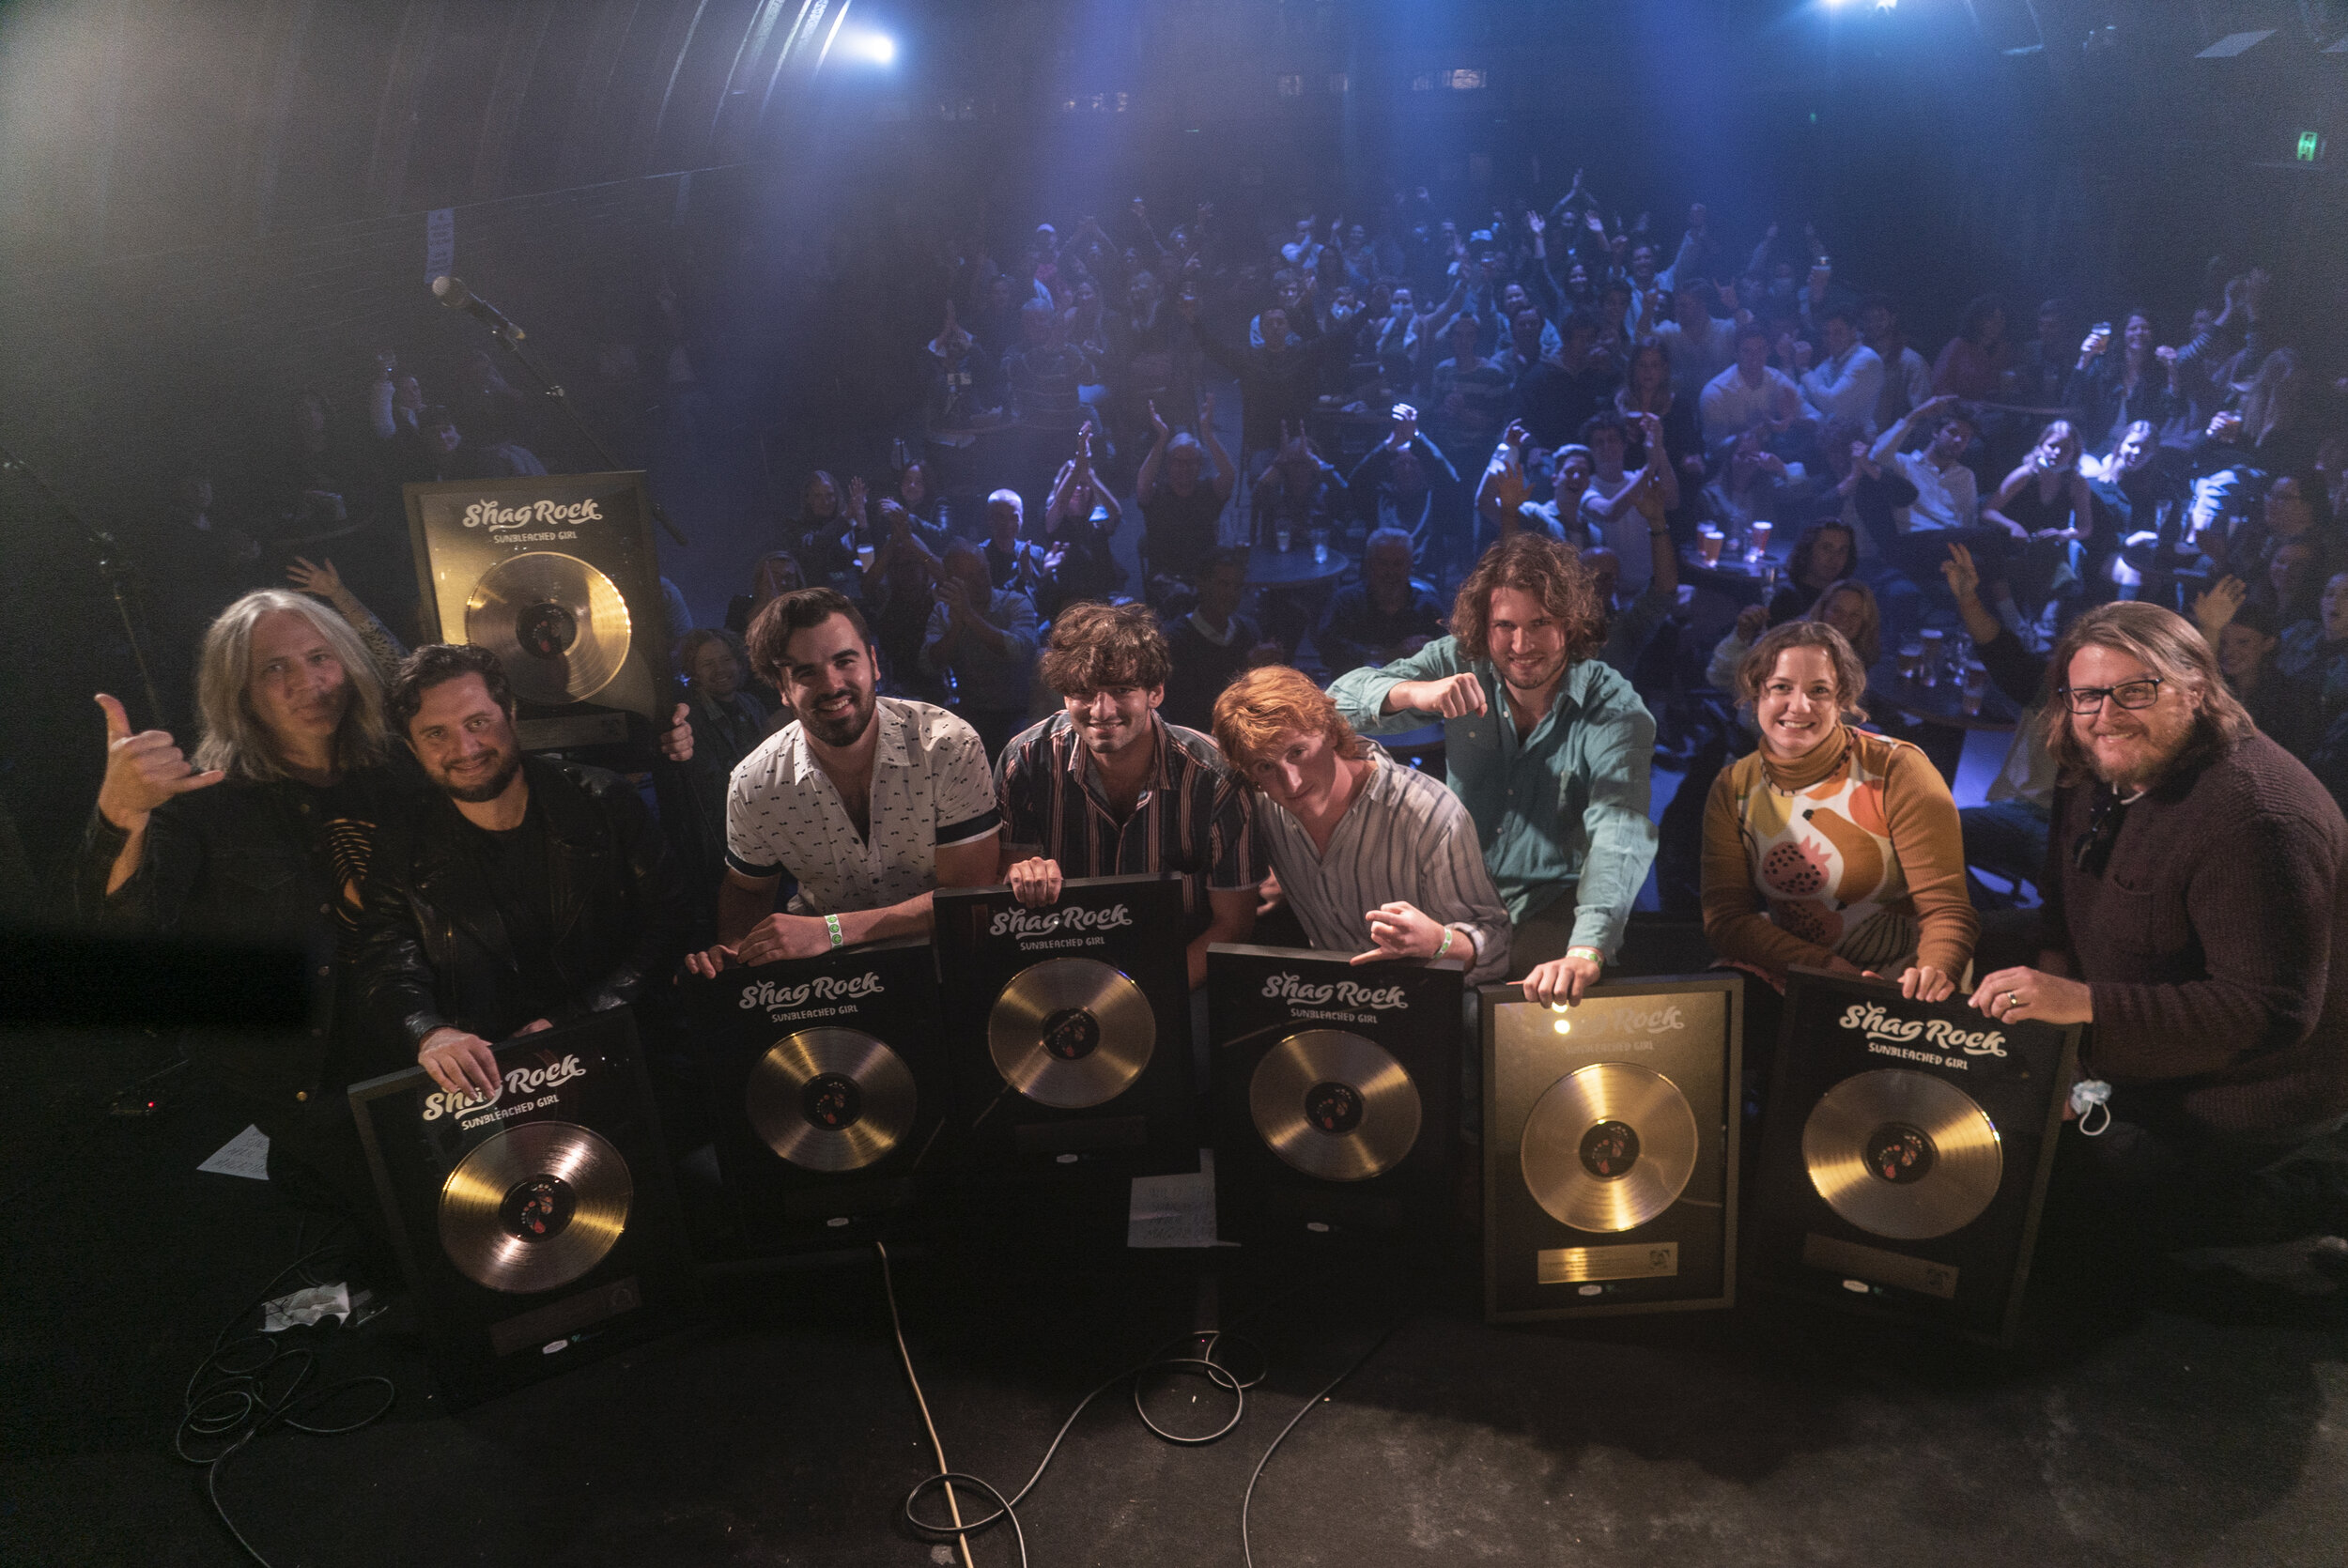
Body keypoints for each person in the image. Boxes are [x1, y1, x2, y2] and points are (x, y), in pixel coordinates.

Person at [1967, 603, 2348, 1256]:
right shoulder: (2094, 763)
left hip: (2244, 1085)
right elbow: (2062, 918)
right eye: (2086, 695)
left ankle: (2313, 1191)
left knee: (2063, 1211)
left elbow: (2271, 1011)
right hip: (2131, 1033)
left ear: (2196, 691)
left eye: (2136, 691)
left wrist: (2083, 1014)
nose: (2105, 716)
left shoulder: (2259, 818)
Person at [358, 644, 694, 1103]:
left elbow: (671, 923)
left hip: (631, 1060)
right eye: (436, 733)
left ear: (511, 714)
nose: (466, 748)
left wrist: (574, 1020)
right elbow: (387, 964)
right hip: (496, 1090)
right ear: (412, 747)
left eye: (478, 722)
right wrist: (429, 1032)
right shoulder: (401, 845)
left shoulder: (604, 801)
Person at [1329, 533, 1657, 1001]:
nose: (1520, 645)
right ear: (1483, 626)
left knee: (1532, 1017)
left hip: (1551, 901)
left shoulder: (1617, 710)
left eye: (1540, 622)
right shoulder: (1460, 660)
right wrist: (1414, 692)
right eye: (1505, 625)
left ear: (1571, 622)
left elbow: (1619, 834)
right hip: (1453, 888)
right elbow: (1334, 703)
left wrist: (1586, 950)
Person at [1702, 621, 1978, 1063]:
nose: (1798, 705)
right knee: (1717, 1024)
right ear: (1756, 695)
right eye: (1781, 687)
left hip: (1902, 991)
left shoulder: (1898, 770)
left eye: (1819, 691)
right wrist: (1828, 970)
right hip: (1800, 973)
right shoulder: (1732, 786)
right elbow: (1727, 920)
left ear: (1844, 699)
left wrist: (1931, 978)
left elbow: (1946, 909)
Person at [688, 588, 1001, 976]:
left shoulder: (946, 744)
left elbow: (968, 898)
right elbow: (746, 889)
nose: (832, 684)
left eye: (844, 661)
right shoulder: (755, 783)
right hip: (832, 982)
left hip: (948, 965)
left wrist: (832, 931)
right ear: (782, 689)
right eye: (805, 672)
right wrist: (738, 956)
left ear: (873, 663)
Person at [996, 603, 1263, 989]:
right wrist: (1020, 876)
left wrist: (1141, 996)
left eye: (1121, 690)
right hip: (1059, 972)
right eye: (1084, 692)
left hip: (1179, 975)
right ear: (1064, 695)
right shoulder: (1026, 759)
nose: (1101, 710)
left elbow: (1233, 924)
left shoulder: (1214, 776)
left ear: (1155, 692)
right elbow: (1005, 894)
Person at [1213, 666, 1508, 984]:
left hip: (1426, 998)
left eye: (1297, 752)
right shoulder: (1263, 808)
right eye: (1267, 766)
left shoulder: (1428, 812)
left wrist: (1439, 942)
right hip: (1333, 999)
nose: (1291, 782)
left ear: (1332, 733)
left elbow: (1495, 947)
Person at [660, 628, 775, 936]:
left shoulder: (751, 704)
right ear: (693, 673)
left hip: (763, 831)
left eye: (726, 660)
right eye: (708, 664)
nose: (721, 669)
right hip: (720, 844)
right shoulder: (689, 718)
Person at [919, 540, 1041, 761]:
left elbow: (1019, 651)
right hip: (969, 712)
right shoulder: (943, 613)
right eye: (968, 578)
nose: (980, 582)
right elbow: (928, 666)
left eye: (982, 572)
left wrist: (969, 616)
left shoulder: (1015, 603)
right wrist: (956, 627)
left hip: (1018, 711)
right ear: (952, 581)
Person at [1347, 403, 1467, 574]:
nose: (1407, 469)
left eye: (1413, 463)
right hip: (1378, 578)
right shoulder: (1379, 498)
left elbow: (1451, 481)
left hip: (1420, 578)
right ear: (1392, 468)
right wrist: (1389, 446)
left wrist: (1416, 438)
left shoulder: (1434, 500)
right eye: (1401, 463)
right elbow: (1355, 483)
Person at [1315, 527, 1446, 677]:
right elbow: (1328, 649)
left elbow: (1446, 652)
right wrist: (1389, 654)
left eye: (1398, 564)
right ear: (1369, 564)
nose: (1390, 572)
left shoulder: (1428, 608)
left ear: (1410, 566)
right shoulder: (1346, 602)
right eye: (1383, 563)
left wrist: (1427, 651)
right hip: (1356, 688)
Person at [1135, 394, 1235, 590]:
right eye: (1178, 461)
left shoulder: (1209, 491)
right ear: (1168, 464)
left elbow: (1229, 475)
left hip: (1204, 577)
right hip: (1165, 580)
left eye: (1191, 462)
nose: (1184, 468)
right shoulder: (1156, 495)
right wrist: (1162, 437)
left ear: (1200, 465)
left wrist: (1206, 432)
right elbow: (1142, 483)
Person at [1699, 320, 1802, 456]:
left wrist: (1790, 420)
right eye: (1747, 351)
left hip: (1775, 455)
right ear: (1735, 353)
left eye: (1761, 350)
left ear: (1768, 351)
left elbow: (1815, 418)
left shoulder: (1778, 380)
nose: (1755, 358)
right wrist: (1753, 434)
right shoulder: (1715, 392)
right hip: (1731, 464)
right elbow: (1715, 449)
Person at [1796, 305, 1886, 435]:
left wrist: (1804, 369)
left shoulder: (1867, 359)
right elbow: (1798, 396)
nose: (1831, 339)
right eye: (1826, 333)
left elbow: (1833, 407)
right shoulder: (1828, 363)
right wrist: (1816, 418)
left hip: (1858, 444)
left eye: (1838, 332)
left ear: (1853, 331)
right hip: (1831, 442)